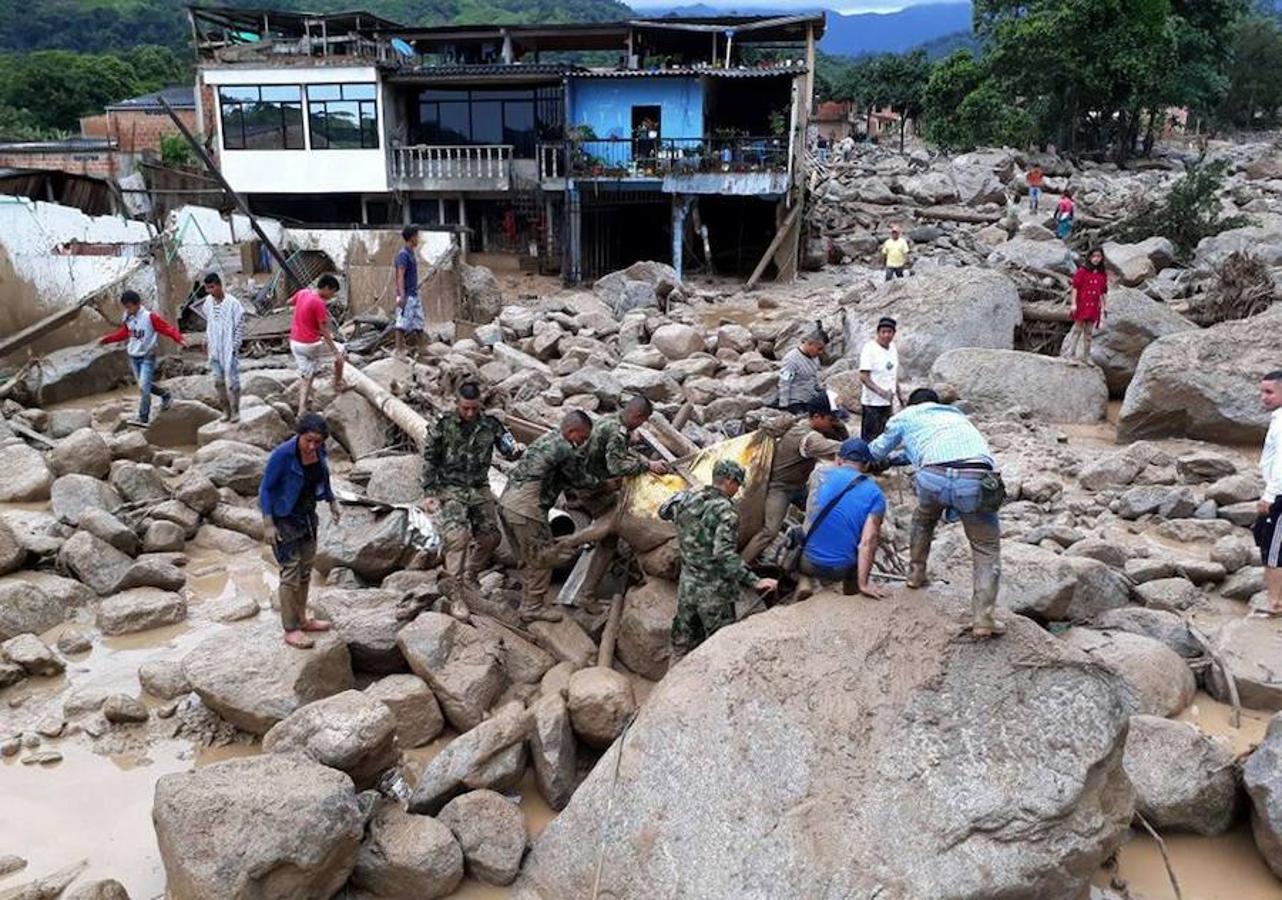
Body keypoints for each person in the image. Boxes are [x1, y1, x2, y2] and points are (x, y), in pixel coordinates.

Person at [868, 388, 1005, 638]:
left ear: (911, 404)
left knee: (924, 518)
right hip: (975, 479)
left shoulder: (907, 416)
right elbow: (938, 452)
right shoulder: (957, 417)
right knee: (986, 549)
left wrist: (869, 457)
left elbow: (877, 452)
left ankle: (915, 574)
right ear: (936, 403)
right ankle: (983, 619)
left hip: (933, 477)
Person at [660, 459, 777, 663]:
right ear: (730, 482)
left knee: (681, 646)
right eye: (737, 485)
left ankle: (671, 689)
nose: (737, 489)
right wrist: (755, 581)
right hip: (714, 591)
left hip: (687, 585)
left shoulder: (687, 498)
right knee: (721, 649)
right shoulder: (726, 512)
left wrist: (687, 495)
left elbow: (663, 511)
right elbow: (724, 554)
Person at [421, 381, 521, 620]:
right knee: (457, 538)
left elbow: (508, 448)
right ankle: (455, 594)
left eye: (474, 408)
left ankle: (471, 574)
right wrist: (429, 492)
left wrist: (517, 449)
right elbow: (430, 458)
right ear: (457, 403)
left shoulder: (490, 425)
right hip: (451, 488)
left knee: (491, 537)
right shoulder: (443, 424)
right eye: (465, 408)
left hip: (479, 487)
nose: (469, 413)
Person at [560, 396, 669, 608]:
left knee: (609, 538)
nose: (641, 426)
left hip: (586, 483)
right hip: (595, 490)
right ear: (637, 416)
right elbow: (617, 466)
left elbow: (617, 452)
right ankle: (568, 550)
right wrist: (647, 465)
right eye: (642, 421)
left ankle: (584, 588)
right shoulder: (616, 432)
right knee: (612, 531)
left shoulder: (609, 420)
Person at [498, 411, 594, 624]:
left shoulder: (547, 438)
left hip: (507, 503)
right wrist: (610, 483)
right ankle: (532, 608)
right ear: (571, 431)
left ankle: (527, 598)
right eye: (583, 437)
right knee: (544, 557)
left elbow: (557, 476)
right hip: (526, 510)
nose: (584, 442)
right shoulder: (565, 449)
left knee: (525, 556)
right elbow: (582, 480)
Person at [259, 414, 341, 649]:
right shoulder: (283, 455)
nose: (312, 446)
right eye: (308, 441)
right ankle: (290, 629)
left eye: (318, 442)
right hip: (283, 518)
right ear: (299, 435)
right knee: (291, 572)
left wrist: (332, 501)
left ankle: (303, 619)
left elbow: (323, 475)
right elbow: (266, 488)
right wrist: (268, 524)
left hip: (306, 515)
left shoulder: (319, 451)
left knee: (306, 570)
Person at [741, 395, 844, 564]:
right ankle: (739, 566)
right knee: (770, 531)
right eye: (830, 419)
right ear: (817, 417)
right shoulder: (808, 437)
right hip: (779, 487)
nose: (833, 423)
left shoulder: (805, 426)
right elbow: (834, 449)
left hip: (798, 486)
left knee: (826, 513)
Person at [798, 438, 887, 596]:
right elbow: (868, 542)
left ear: (838, 459)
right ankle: (852, 593)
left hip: (808, 562)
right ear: (866, 465)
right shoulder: (876, 494)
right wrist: (864, 583)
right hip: (841, 569)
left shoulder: (819, 474)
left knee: (798, 532)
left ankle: (804, 580)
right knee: (864, 539)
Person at [99, 289, 184, 427]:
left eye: (129, 306)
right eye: (125, 307)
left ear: (138, 304)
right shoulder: (128, 317)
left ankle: (143, 417)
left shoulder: (149, 317)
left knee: (144, 388)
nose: (127, 309)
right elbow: (125, 333)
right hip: (133, 356)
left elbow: (166, 328)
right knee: (144, 386)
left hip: (147, 356)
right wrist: (108, 339)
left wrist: (178, 338)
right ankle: (165, 395)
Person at [290, 274, 346, 417]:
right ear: (326, 288)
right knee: (341, 351)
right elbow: (324, 331)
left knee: (307, 375)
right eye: (332, 292)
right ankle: (338, 383)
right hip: (309, 344)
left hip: (295, 343)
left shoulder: (303, 292)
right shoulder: (319, 303)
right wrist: (335, 352)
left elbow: (289, 301)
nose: (332, 296)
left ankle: (302, 409)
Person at [1253, 372, 1282, 619]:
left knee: (1273, 550)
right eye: (1262, 392)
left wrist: (1269, 497)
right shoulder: (1277, 418)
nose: (1263, 397)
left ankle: (1274, 603)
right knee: (1264, 538)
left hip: (1280, 495)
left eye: (1269, 392)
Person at [201, 272, 246, 423]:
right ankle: (225, 410)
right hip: (214, 347)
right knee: (218, 381)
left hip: (229, 347)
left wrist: (235, 345)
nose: (210, 291)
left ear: (219, 285)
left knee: (233, 382)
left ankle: (236, 410)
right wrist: (206, 338)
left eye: (212, 287)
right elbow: (210, 323)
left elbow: (240, 325)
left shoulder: (233, 304)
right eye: (208, 288)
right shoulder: (208, 302)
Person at [857, 316, 904, 441]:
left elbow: (893, 374)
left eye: (890, 332)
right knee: (871, 436)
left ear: (894, 333)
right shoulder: (869, 348)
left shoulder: (892, 348)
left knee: (885, 433)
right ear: (878, 333)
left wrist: (899, 395)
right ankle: (868, 459)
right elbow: (864, 376)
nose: (886, 335)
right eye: (883, 332)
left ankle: (882, 459)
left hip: (888, 401)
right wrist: (880, 392)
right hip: (872, 401)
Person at [1066, 247, 1108, 361]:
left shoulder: (1102, 274)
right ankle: (1071, 355)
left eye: (1098, 256)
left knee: (1089, 333)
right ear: (1089, 257)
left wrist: (1105, 306)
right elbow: (1075, 287)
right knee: (1077, 330)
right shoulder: (1082, 271)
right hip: (1082, 304)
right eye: (1094, 256)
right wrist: (1073, 303)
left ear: (1102, 258)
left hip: (1094, 306)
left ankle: (1086, 356)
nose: (1096, 259)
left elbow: (1103, 291)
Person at [777, 327, 828, 413]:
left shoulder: (815, 358)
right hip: (796, 401)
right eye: (819, 349)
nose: (821, 352)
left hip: (811, 396)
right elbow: (784, 383)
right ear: (810, 344)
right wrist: (784, 406)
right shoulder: (791, 359)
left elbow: (815, 378)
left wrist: (821, 391)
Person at [394, 225, 425, 358]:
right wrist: (402, 295)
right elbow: (400, 275)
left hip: (414, 294)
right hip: (406, 295)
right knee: (402, 323)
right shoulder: (403, 255)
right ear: (412, 237)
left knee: (419, 321)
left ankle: (421, 348)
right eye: (417, 236)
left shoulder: (411, 253)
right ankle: (399, 349)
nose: (418, 239)